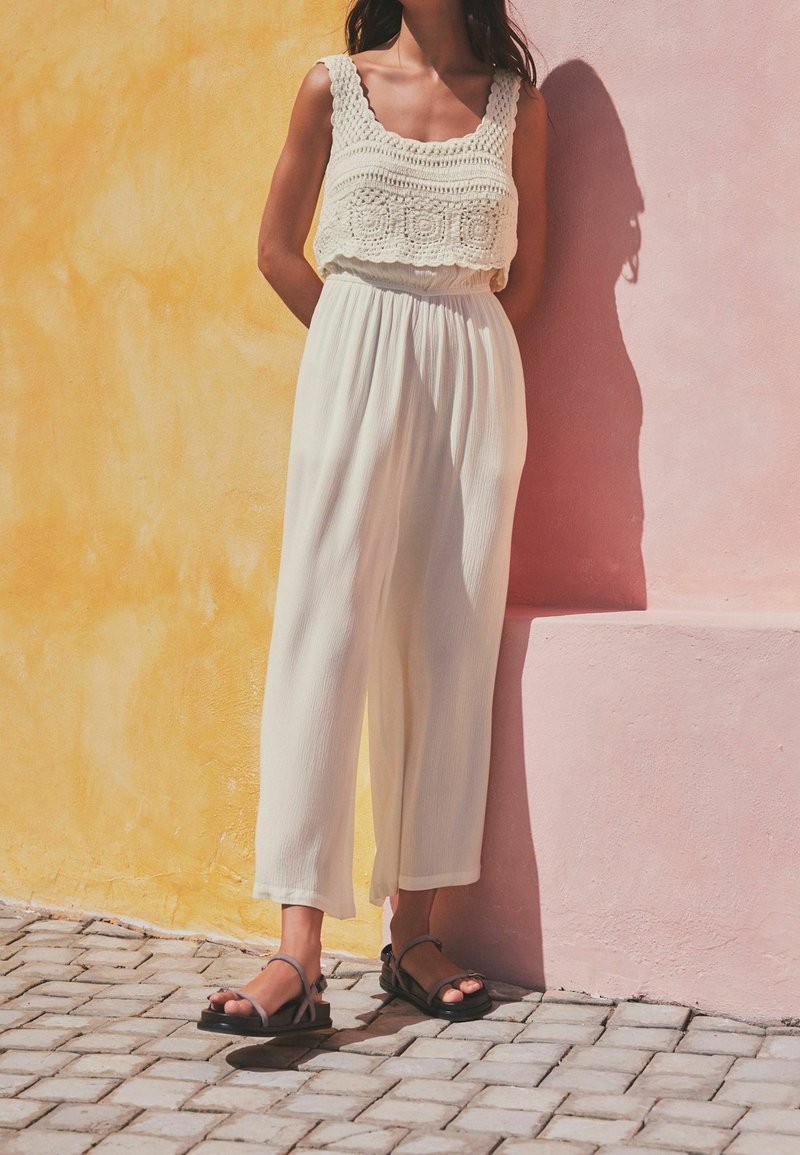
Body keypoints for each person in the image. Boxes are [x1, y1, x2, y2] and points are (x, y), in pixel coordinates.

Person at [197, 0, 548, 1037]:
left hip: (475, 371)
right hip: (350, 359)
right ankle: (295, 954)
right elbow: (274, 248)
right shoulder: (331, 85)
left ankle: (415, 932)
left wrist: (449, 351)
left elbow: (523, 279)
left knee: (448, 642)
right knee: (325, 633)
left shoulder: (516, 107)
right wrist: (360, 342)